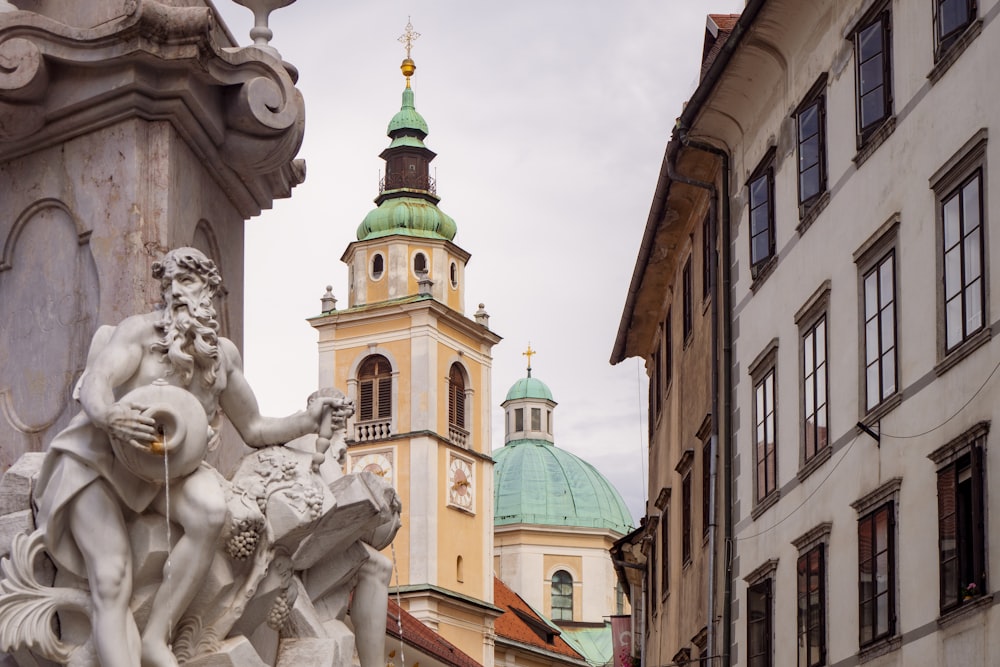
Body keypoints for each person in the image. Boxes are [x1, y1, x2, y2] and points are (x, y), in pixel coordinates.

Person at [33, 248, 346, 667]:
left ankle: (156, 635)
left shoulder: (222, 357)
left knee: (210, 510)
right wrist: (110, 415)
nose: (177, 292)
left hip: (168, 470)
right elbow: (98, 380)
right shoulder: (139, 334)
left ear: (210, 292)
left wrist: (307, 420)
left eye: (188, 282)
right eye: (170, 284)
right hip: (102, 460)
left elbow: (253, 428)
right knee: (110, 578)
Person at [287, 388, 400, 667]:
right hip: (298, 546)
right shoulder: (310, 437)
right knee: (377, 567)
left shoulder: (321, 442)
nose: (343, 420)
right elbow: (333, 501)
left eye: (345, 414)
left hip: (313, 540)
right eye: (339, 412)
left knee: (376, 565)